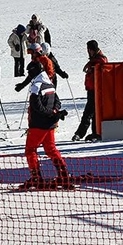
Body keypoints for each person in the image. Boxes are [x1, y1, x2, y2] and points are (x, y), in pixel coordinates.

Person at [19, 60, 71, 190]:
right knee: (51, 149)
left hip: (38, 125)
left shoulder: (36, 86)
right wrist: (54, 113)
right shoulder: (50, 83)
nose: (29, 75)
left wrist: (50, 113)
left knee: (30, 150)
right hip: (50, 125)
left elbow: (36, 107)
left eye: (29, 72)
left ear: (33, 71)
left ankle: (36, 178)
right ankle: (63, 175)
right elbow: (57, 102)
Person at [72, 40, 108, 142]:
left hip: (96, 91)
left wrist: (91, 66)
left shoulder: (100, 59)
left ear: (91, 50)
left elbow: (102, 66)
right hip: (91, 90)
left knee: (88, 113)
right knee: (93, 113)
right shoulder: (94, 59)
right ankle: (94, 133)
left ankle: (80, 133)